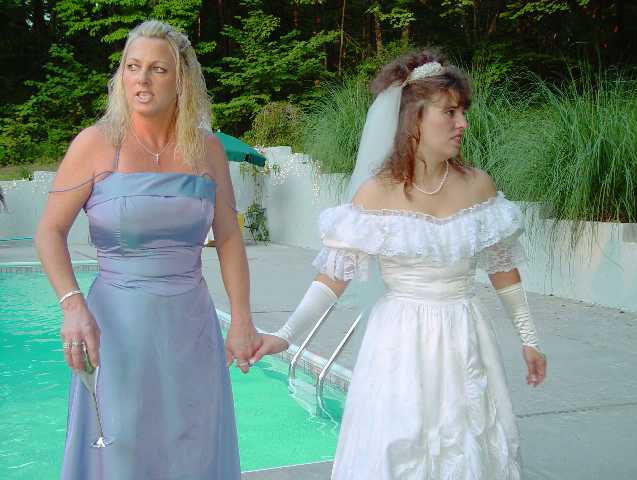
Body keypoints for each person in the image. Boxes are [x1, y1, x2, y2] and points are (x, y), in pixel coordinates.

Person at [252, 49, 547, 479]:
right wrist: (284, 336)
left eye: (463, 112)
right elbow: (334, 276)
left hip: (464, 335)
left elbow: (503, 270)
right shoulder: (376, 193)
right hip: (399, 342)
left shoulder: (478, 186)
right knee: (399, 447)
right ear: (414, 120)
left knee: (468, 444)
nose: (462, 123)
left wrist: (530, 339)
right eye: (450, 112)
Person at [35, 20, 259, 479]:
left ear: (181, 80)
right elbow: (49, 232)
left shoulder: (208, 150)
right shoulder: (95, 144)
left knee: (192, 448)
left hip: (191, 327)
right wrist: (72, 305)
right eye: (132, 67)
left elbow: (228, 238)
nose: (142, 79)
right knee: (122, 449)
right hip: (116, 328)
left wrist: (241, 319)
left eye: (158, 69)